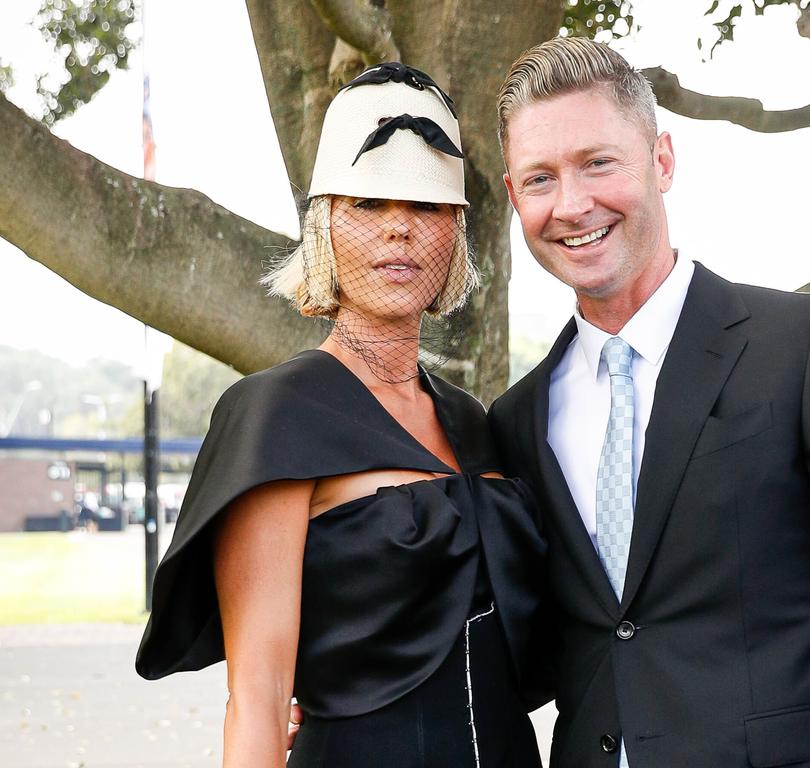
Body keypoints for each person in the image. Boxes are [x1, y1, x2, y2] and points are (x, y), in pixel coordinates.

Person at [487, 37, 810, 767]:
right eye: (540, 178)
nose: (573, 204)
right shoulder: (517, 421)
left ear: (663, 160)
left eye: (598, 162)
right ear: (513, 195)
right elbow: (533, 652)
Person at [135, 63, 547, 768]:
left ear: (456, 233)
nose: (399, 232)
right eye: (368, 204)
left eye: (426, 208)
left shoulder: (477, 424)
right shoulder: (276, 417)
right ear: (324, 225)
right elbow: (259, 697)